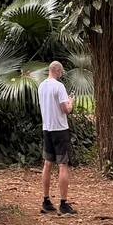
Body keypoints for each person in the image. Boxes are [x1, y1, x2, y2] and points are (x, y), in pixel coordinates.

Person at [38, 60, 76, 215]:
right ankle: (63, 203)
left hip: (47, 128)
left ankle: (46, 200)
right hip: (60, 129)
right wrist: (71, 102)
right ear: (58, 71)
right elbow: (65, 109)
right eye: (61, 72)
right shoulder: (59, 86)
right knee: (62, 165)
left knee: (47, 164)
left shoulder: (41, 86)